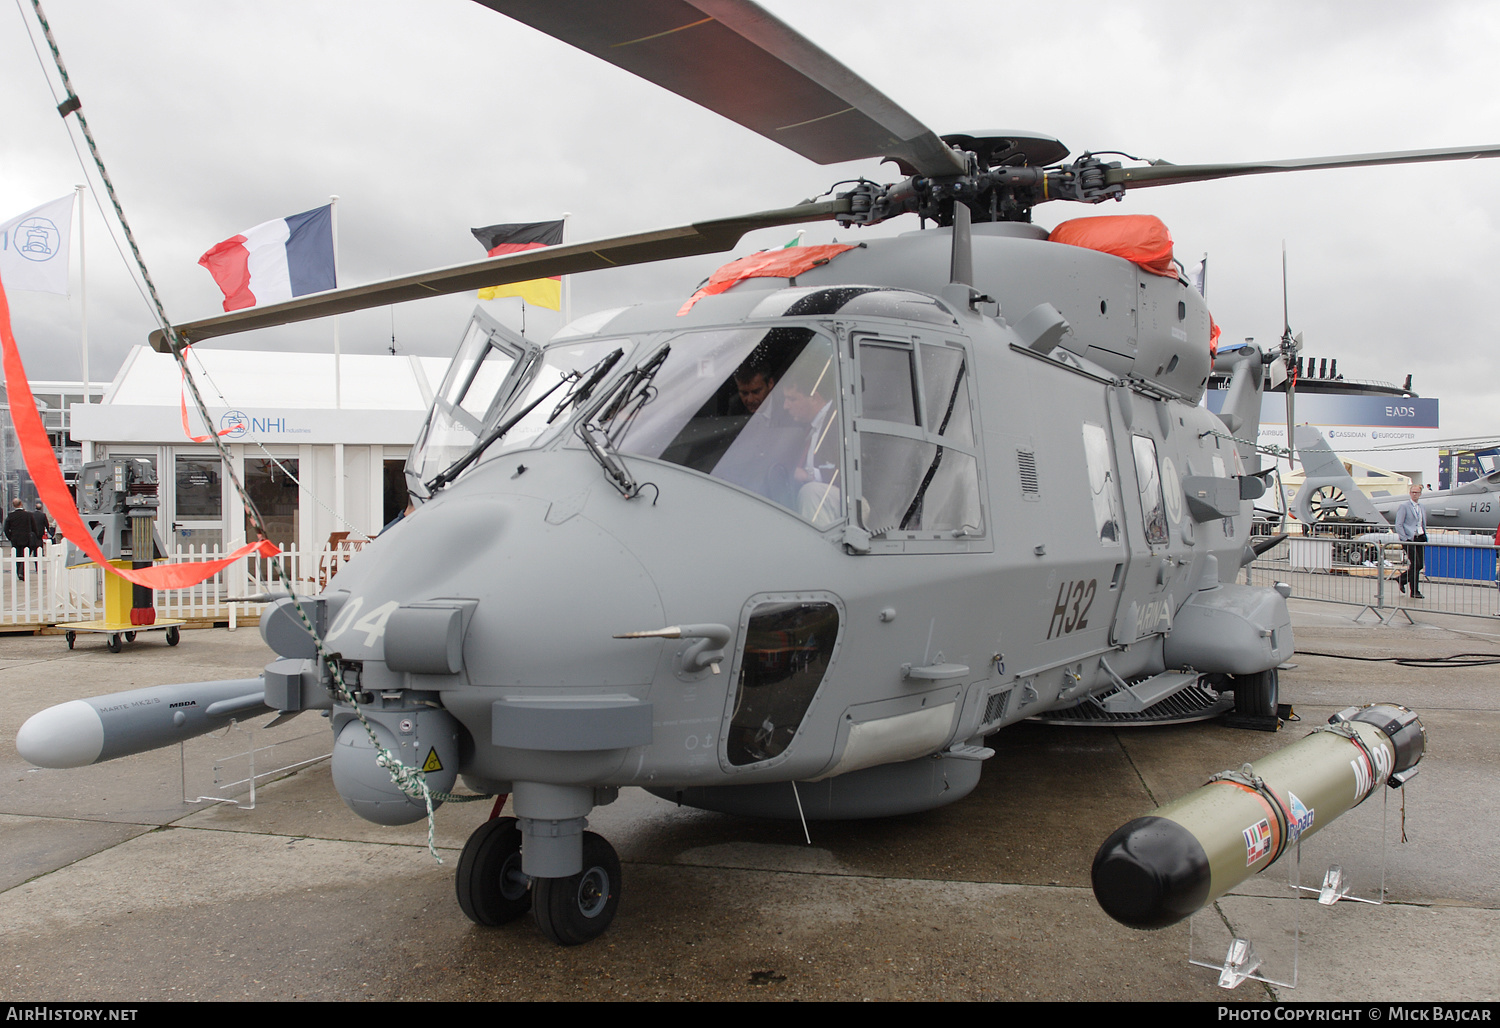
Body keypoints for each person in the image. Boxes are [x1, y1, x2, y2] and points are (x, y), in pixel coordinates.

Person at [1395, 484, 1427, 598]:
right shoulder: (1404, 506)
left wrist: (1424, 533)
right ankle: (1412, 589)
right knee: (1415, 564)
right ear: (1410, 493)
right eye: (1413, 492)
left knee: (1419, 565)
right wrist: (1405, 538)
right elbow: (1398, 524)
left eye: (1417, 493)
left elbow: (1422, 522)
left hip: (1419, 537)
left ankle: (1404, 581)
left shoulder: (1421, 506)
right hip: (1409, 538)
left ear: (1420, 494)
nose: (1415, 494)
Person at [5, 499, 35, 582]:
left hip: (15, 539)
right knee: (25, 556)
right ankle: (22, 571)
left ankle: (19, 572)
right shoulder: (28, 515)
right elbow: (34, 527)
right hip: (26, 539)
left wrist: (10, 537)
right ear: (21, 504)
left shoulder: (10, 516)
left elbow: (6, 529)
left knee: (17, 556)